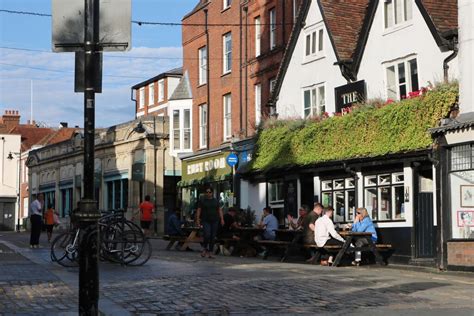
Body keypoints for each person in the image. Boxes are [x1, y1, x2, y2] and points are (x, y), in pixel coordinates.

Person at [196, 187, 225, 258]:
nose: (208, 193)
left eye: (210, 192)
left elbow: (219, 210)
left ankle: (210, 252)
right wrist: (197, 219)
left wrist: (222, 219)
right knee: (207, 235)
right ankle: (204, 248)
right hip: (205, 220)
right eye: (207, 192)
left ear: (212, 193)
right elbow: (199, 210)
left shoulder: (215, 201)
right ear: (205, 193)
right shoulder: (202, 201)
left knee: (212, 236)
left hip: (215, 220)